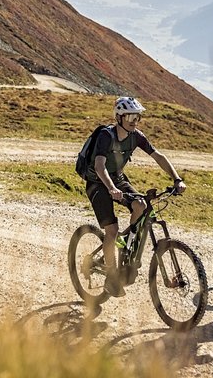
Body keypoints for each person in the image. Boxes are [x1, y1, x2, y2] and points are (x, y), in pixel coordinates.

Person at [84, 96, 187, 297]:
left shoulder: (136, 136)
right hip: (97, 182)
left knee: (141, 205)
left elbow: (158, 156)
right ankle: (111, 276)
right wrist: (112, 189)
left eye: (137, 117)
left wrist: (177, 179)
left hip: (117, 178)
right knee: (111, 230)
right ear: (119, 117)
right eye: (130, 116)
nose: (134, 120)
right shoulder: (107, 135)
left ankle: (126, 246)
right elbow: (99, 166)